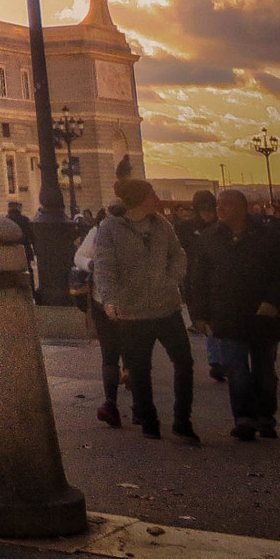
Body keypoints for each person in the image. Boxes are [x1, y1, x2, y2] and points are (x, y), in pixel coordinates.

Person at [92, 177, 197, 443]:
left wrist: (171, 279)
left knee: (185, 363)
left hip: (167, 308)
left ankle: (182, 421)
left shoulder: (162, 225)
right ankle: (149, 421)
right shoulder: (109, 228)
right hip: (133, 312)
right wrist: (111, 300)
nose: (158, 200)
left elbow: (178, 254)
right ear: (139, 199)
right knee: (139, 370)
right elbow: (103, 269)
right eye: (152, 195)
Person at [187, 189, 280, 441]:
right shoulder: (208, 238)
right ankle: (244, 418)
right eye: (218, 204)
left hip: (262, 316)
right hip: (226, 314)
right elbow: (197, 279)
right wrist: (199, 315)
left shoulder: (267, 237)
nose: (220, 209)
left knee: (264, 371)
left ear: (243, 208)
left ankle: (266, 417)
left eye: (226, 204)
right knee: (236, 370)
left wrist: (273, 301)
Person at [70, 201, 128, 426]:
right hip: (123, 301)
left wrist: (91, 264)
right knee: (129, 353)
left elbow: (79, 257)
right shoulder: (134, 232)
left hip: (104, 300)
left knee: (110, 354)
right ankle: (138, 405)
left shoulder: (98, 231)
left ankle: (111, 403)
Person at [6, 202, 37, 293]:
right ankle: (31, 290)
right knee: (28, 270)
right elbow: (32, 236)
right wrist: (35, 249)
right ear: (19, 209)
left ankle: (14, 291)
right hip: (25, 249)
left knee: (12, 271)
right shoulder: (25, 220)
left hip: (11, 250)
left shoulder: (5, 220)